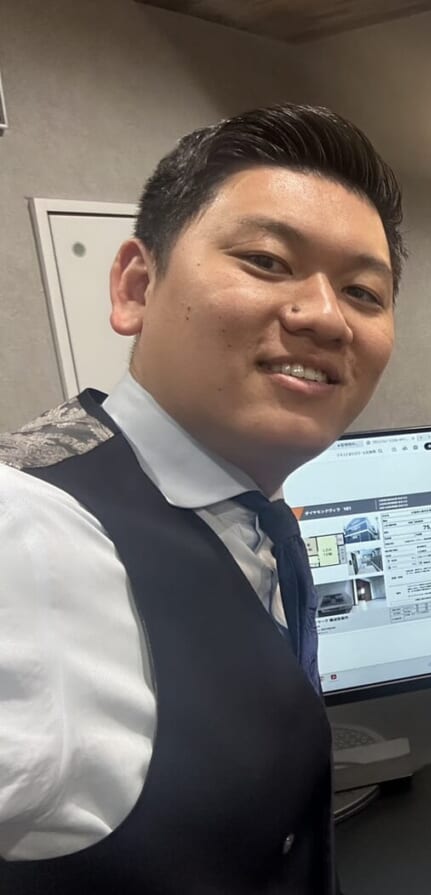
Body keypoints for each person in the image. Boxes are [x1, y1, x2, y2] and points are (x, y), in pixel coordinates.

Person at [0, 103, 404, 893]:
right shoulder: (25, 533)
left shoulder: (257, 518)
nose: (326, 316)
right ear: (135, 287)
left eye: (363, 292)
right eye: (267, 260)